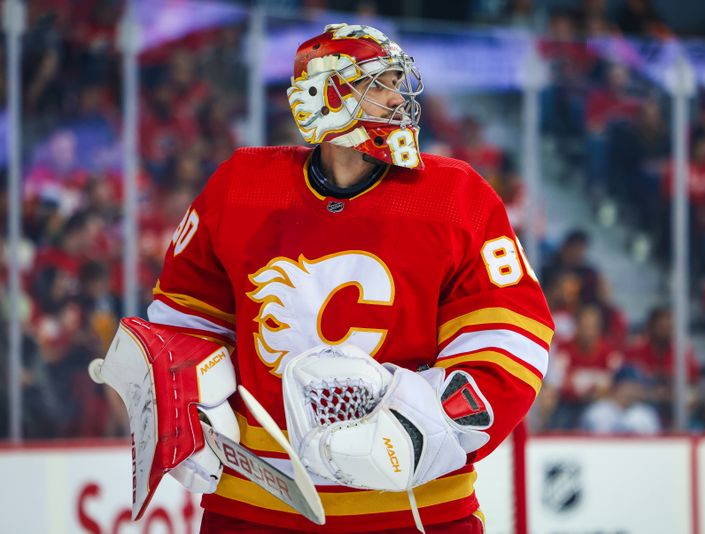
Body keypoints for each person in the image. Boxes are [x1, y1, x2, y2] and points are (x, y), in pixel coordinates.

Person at [94, 23, 553, 533]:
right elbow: (184, 319)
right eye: (376, 84)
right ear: (325, 98)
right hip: (255, 507)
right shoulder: (241, 188)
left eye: (396, 83)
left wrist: (425, 426)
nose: (395, 98)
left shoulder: (455, 196)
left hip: (414, 511)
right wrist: (186, 398)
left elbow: (511, 338)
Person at [580, 364, 661, 435]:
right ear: (618, 386)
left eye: (638, 385)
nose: (635, 390)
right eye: (631, 385)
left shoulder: (646, 414)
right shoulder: (597, 412)